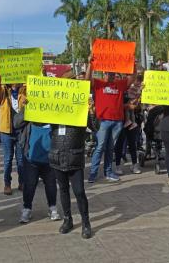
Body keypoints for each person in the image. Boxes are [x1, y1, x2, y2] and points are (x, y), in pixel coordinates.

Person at [49, 72, 92, 239]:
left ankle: (86, 222)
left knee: (79, 191)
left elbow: (95, 127)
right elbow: (33, 121)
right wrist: (29, 107)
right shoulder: (53, 107)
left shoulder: (81, 107)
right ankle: (68, 219)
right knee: (64, 190)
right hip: (57, 156)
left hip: (75, 156)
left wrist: (92, 112)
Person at [85, 63, 135, 183]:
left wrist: (133, 64)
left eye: (113, 73)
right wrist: (90, 64)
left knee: (110, 148)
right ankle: (93, 173)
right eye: (108, 73)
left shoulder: (119, 84)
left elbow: (132, 78)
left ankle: (108, 172)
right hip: (103, 121)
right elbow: (87, 80)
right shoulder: (98, 83)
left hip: (117, 122)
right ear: (104, 73)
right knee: (100, 147)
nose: (111, 75)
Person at [13, 106, 60, 224]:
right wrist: (26, 108)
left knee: (51, 185)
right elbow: (16, 123)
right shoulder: (30, 110)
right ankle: (27, 209)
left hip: (49, 158)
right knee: (29, 185)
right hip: (31, 158)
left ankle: (52, 208)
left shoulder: (55, 111)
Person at [0, 84, 25, 195]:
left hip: (20, 130)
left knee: (21, 159)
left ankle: (22, 182)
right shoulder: (3, 89)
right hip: (6, 130)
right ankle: (7, 184)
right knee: (8, 159)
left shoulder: (25, 89)